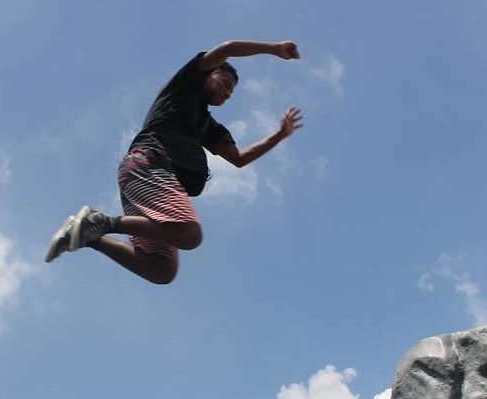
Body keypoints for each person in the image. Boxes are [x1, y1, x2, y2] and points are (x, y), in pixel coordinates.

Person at [44, 40, 304, 284]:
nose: (227, 93)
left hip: (151, 181)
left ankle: (87, 236)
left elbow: (239, 159)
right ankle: (101, 222)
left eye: (231, 92)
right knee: (189, 233)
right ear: (208, 74)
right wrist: (273, 49)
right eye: (225, 83)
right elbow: (229, 48)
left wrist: (280, 135)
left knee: (161, 269)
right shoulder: (185, 86)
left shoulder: (209, 126)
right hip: (148, 164)